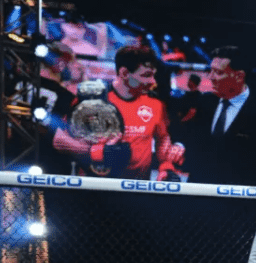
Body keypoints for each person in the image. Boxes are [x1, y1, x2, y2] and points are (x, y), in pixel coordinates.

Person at [52, 45, 185, 179]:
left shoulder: (155, 103)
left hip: (137, 189)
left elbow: (162, 138)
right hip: (96, 188)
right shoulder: (91, 98)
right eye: (146, 75)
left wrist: (165, 166)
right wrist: (94, 152)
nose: (152, 82)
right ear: (125, 73)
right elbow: (59, 139)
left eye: (153, 75)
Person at [179, 45, 256, 186]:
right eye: (210, 70)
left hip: (239, 196)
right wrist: (179, 145)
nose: (210, 77)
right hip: (199, 190)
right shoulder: (204, 102)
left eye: (218, 72)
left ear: (239, 76)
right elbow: (193, 139)